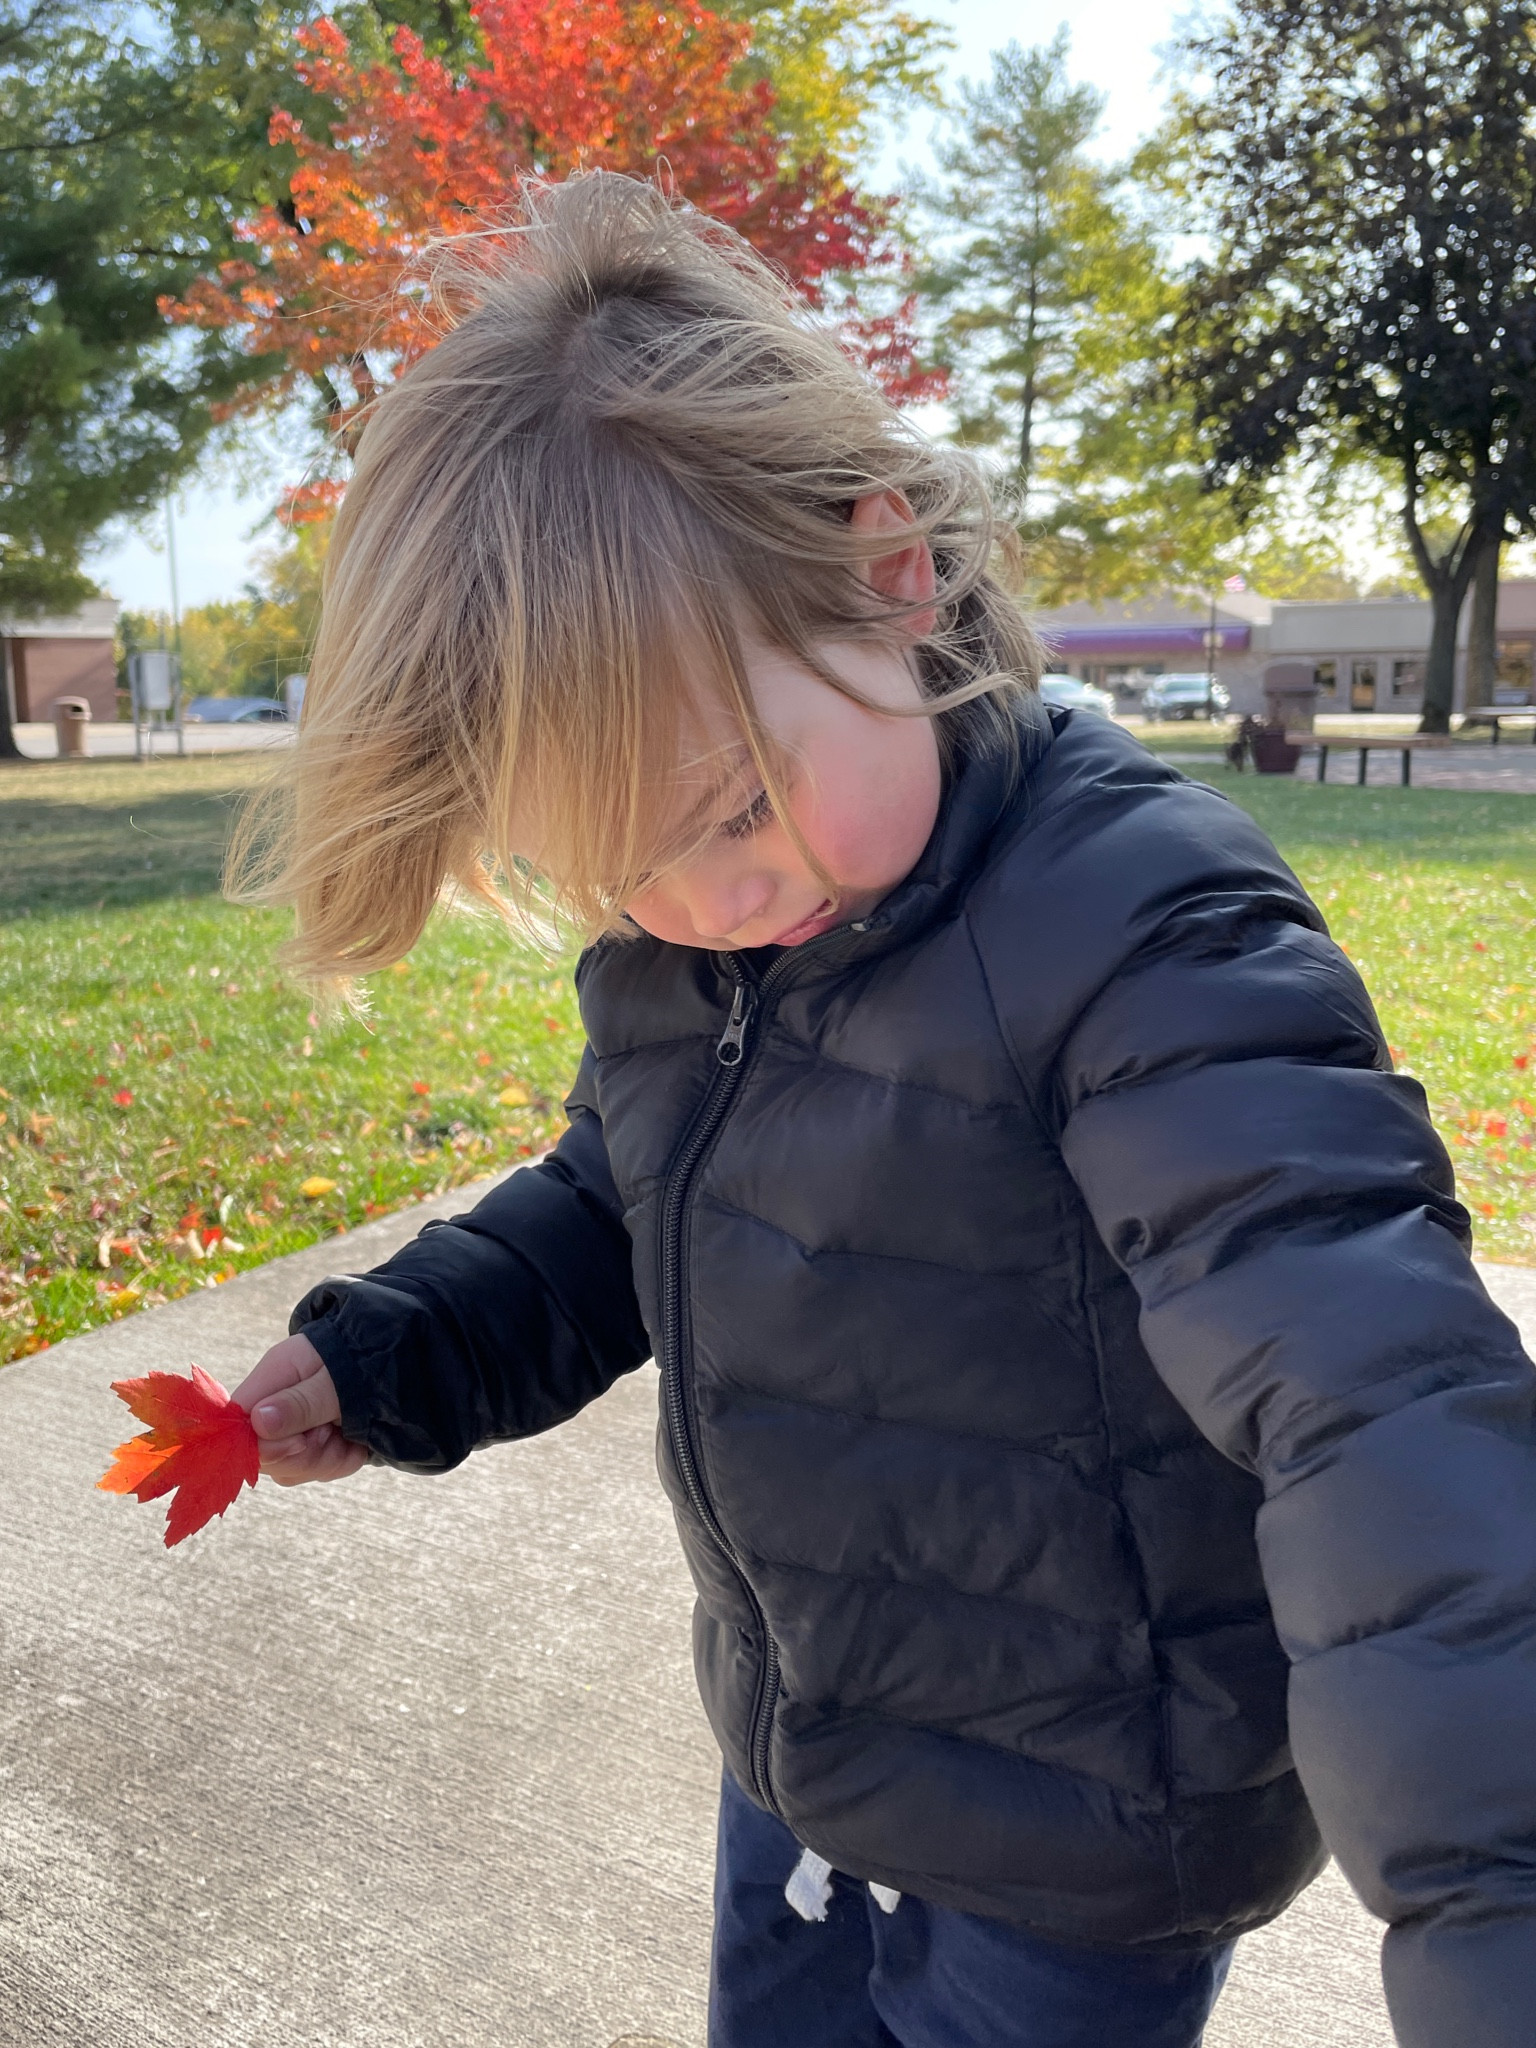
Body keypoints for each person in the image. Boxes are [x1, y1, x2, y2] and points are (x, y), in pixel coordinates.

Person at [231, 173, 1536, 2048]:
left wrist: (1496, 1913)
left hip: (1089, 1837)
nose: (706, 902)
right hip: (812, 1758)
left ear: (887, 574)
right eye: (619, 866)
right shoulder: (687, 955)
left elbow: (1374, 1402)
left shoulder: (1137, 930)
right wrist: (407, 1349)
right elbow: (623, 1202)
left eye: (732, 809)